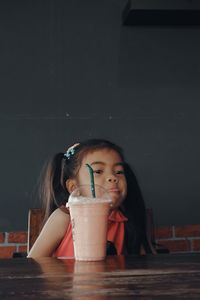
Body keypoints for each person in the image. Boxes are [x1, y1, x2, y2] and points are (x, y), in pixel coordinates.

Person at [28, 139, 155, 258]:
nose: (112, 177)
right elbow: (33, 264)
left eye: (119, 172)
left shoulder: (127, 221)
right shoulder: (64, 218)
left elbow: (145, 264)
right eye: (99, 171)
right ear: (73, 187)